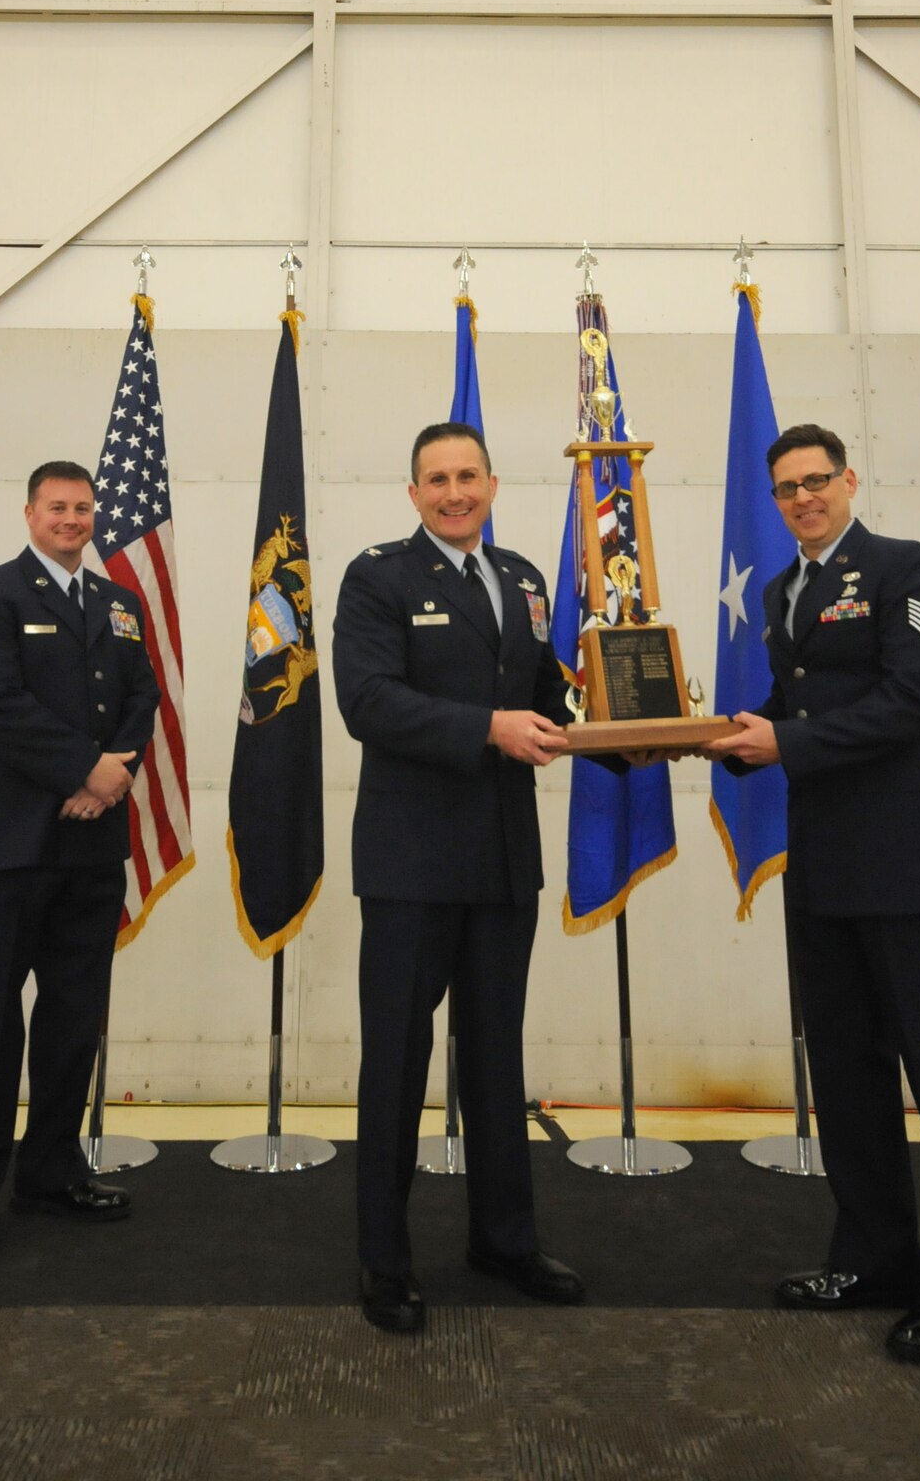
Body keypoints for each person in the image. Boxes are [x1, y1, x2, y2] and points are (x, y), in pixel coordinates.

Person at [710, 424, 920, 1365]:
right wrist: (700, 728)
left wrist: (781, 744)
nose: (802, 498)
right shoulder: (779, 591)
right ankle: (875, 1258)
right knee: (845, 1069)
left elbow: (909, 703)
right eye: (786, 488)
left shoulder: (906, 571)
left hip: (906, 863)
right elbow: (787, 707)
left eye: (815, 482)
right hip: (825, 867)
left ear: (848, 480)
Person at [332, 422, 585, 1333]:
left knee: (494, 1057)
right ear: (412, 494)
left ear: (492, 482)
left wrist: (634, 714)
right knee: (397, 1064)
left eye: (467, 476)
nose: (453, 492)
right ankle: (384, 1263)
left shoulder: (521, 578)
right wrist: (488, 727)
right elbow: (366, 702)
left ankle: (503, 1240)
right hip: (410, 863)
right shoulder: (377, 577)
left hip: (503, 860)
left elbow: (548, 703)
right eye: (435, 479)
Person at [0, 461, 159, 1259]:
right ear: (29, 513)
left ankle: (51, 1171)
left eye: (82, 508)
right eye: (56, 507)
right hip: (10, 842)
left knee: (71, 1018)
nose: (71, 519)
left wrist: (112, 778)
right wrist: (81, 769)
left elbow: (142, 698)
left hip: (92, 842)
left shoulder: (119, 604)